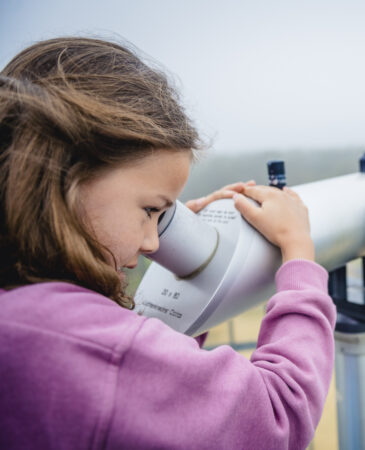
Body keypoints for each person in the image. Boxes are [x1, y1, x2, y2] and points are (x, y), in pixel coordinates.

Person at [0, 37, 336, 449]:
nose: (152, 243)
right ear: (66, 178)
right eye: (149, 210)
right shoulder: (100, 350)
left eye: (165, 218)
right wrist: (298, 254)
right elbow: (278, 416)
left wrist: (189, 247)